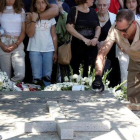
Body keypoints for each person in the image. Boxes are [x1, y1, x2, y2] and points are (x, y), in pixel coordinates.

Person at [92, 9, 140, 103]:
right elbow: (102, 53)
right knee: (133, 97)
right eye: (119, 30)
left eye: (124, 30)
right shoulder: (114, 29)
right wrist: (98, 76)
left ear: (134, 23)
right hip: (134, 61)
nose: (122, 33)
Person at [22, 0, 59, 83]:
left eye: (43, 2)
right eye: (38, 3)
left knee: (47, 76)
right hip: (34, 49)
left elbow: (54, 36)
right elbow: (30, 34)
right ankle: (37, 94)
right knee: (36, 77)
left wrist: (55, 52)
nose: (41, 5)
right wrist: (33, 20)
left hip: (48, 49)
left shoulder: (51, 18)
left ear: (46, 4)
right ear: (34, 4)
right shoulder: (30, 17)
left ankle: (47, 94)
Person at [66, 0, 101, 77]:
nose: (93, 0)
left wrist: (95, 38)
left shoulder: (92, 11)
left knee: (90, 72)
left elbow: (98, 27)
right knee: (77, 72)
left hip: (92, 47)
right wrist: (84, 39)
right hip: (77, 47)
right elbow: (69, 27)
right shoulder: (73, 10)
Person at [96, 0, 121, 87]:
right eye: (99, 5)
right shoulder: (93, 17)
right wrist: (96, 42)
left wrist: (105, 42)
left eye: (104, 5)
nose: (102, 7)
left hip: (111, 49)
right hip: (95, 48)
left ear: (108, 6)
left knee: (112, 73)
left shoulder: (114, 17)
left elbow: (117, 34)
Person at [0, 0, 25, 81]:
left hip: (17, 42)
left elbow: (23, 31)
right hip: (3, 42)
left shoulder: (21, 10)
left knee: (20, 75)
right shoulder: (0, 10)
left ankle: (13, 87)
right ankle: (8, 91)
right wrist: (1, 44)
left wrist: (16, 44)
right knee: (5, 76)